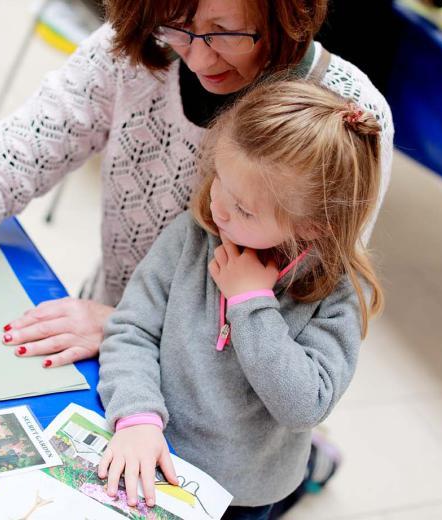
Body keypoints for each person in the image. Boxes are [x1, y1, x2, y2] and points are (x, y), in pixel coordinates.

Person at [0, 0, 392, 513]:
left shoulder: (349, 119)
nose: (199, 56)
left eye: (226, 30)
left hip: (236, 398)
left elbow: (309, 296)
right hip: (124, 352)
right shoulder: (131, 51)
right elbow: (5, 158)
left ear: (285, 13)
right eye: (176, 24)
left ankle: (307, 463)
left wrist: (129, 327)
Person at [96, 78, 384, 520]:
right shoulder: (195, 233)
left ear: (313, 225)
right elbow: (132, 329)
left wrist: (251, 302)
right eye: (219, 182)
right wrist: (136, 416)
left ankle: (316, 464)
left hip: (242, 495)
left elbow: (304, 406)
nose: (219, 210)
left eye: (245, 209)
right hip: (151, 451)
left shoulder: (337, 293)